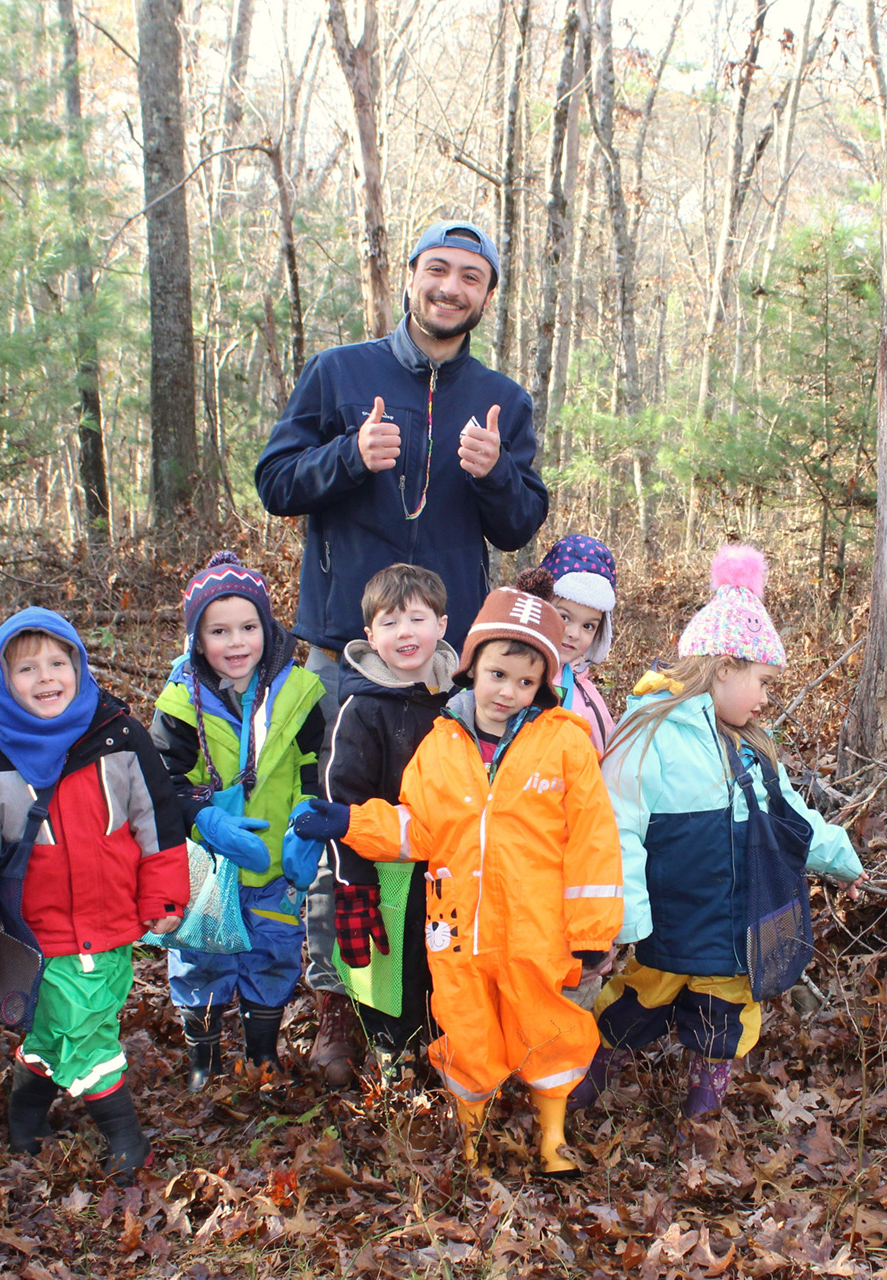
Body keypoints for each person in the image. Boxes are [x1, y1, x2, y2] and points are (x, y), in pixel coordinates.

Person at [254, 218, 550, 1078]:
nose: (452, 288)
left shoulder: (501, 398)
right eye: (438, 270)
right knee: (337, 831)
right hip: (343, 652)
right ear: (410, 276)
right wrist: (350, 455)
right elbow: (276, 481)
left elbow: (521, 520)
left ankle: (426, 1005)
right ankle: (337, 1011)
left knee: (441, 829)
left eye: (471, 277)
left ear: (487, 295)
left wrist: (495, 471)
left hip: (445, 666)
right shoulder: (340, 373)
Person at [294, 587, 623, 1176]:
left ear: (543, 685)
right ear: (471, 667)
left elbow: (594, 840)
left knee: (546, 1027)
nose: (508, 692)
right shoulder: (440, 744)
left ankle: (552, 1138)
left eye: (526, 682)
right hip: (456, 931)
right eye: (498, 674)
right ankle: (472, 1139)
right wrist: (349, 821)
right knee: (466, 1029)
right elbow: (415, 828)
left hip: (536, 931)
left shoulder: (565, 741)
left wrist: (593, 928)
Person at [571, 547, 864, 1122]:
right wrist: (626, 921)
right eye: (761, 681)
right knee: (632, 1009)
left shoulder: (750, 745)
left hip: (737, 933)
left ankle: (702, 1114)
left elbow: (791, 820)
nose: (764, 698)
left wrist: (842, 859)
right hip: (669, 928)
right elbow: (618, 832)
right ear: (724, 667)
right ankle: (585, 1085)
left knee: (723, 1021)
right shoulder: (648, 734)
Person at [0, 608, 189, 1183]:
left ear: (79, 664)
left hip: (113, 922)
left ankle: (24, 1113)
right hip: (37, 934)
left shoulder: (119, 735)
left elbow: (158, 818)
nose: (46, 678)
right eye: (27, 668)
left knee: (62, 1029)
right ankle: (124, 1135)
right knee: (88, 1031)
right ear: (2, 679)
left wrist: (165, 896)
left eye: (58, 662)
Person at [150, 551, 327, 1090]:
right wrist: (204, 819)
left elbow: (315, 763)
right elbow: (162, 780)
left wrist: (308, 818)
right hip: (206, 866)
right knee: (200, 954)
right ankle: (203, 1057)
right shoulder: (182, 702)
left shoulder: (299, 694)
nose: (236, 643)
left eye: (248, 627)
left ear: (267, 629)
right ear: (197, 641)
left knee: (271, 950)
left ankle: (261, 1052)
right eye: (219, 631)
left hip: (276, 860)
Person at [317, 563, 460, 1085]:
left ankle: (445, 1048)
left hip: (451, 865)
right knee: (389, 971)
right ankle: (391, 1056)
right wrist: (352, 880)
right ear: (370, 636)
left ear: (442, 625)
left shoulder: (462, 699)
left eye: (417, 619)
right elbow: (340, 797)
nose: (406, 633)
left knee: (443, 963)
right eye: (391, 622)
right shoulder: (362, 707)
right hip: (387, 867)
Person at [527, 534, 620, 752]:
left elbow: (604, 764)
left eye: (588, 626)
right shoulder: (508, 677)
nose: (573, 634)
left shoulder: (587, 697)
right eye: (564, 617)